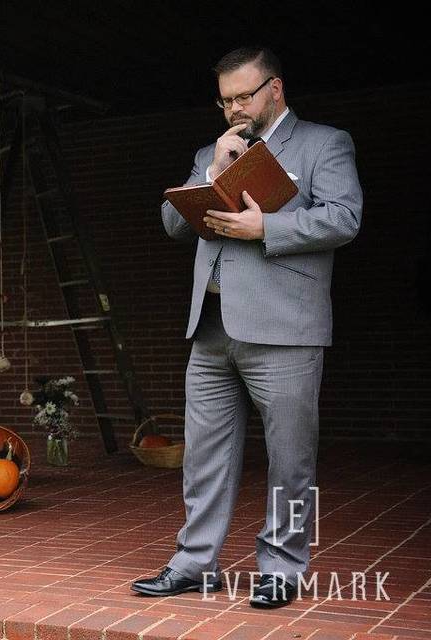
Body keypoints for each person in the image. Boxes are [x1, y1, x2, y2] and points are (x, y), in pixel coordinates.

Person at [132, 46, 363, 608]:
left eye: (244, 95)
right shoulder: (211, 152)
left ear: (275, 89)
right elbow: (172, 223)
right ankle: (195, 564)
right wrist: (212, 171)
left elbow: (344, 216)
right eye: (225, 99)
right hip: (211, 330)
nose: (234, 107)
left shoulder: (322, 143)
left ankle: (282, 567)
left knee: (290, 460)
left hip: (285, 331)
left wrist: (267, 226)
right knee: (204, 455)